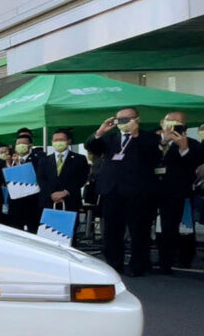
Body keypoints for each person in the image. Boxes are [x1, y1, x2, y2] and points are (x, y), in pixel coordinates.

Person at [84, 107, 161, 276]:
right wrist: (100, 132)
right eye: (120, 120)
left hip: (137, 193)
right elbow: (91, 146)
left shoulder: (149, 137)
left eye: (127, 119)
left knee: (139, 231)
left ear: (137, 119)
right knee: (111, 231)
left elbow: (154, 157)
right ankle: (114, 264)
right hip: (111, 191)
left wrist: (135, 136)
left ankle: (138, 266)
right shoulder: (110, 138)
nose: (123, 123)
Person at [154, 111, 203, 272]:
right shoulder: (153, 140)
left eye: (178, 122)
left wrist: (184, 149)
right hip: (152, 190)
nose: (173, 124)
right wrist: (162, 142)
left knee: (177, 228)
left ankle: (179, 259)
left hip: (177, 192)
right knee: (158, 227)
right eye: (170, 121)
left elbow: (195, 166)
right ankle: (162, 259)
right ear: (163, 123)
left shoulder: (193, 144)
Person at [37, 129, 89, 218]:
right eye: (55, 140)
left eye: (61, 140)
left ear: (68, 141)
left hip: (70, 201)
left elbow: (82, 178)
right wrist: (51, 193)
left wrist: (66, 191)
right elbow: (41, 179)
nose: (58, 142)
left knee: (68, 230)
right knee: (50, 230)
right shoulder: (44, 160)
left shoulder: (80, 159)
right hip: (48, 202)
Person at [7, 132, 42, 233]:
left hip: (32, 202)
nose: (19, 146)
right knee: (15, 230)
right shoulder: (12, 161)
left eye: (22, 144)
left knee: (32, 229)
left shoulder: (37, 159)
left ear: (30, 146)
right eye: (17, 144)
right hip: (15, 203)